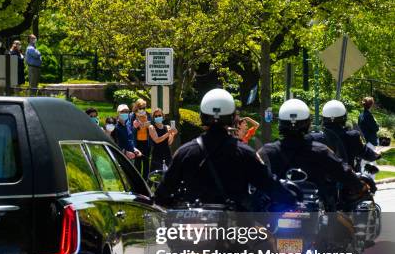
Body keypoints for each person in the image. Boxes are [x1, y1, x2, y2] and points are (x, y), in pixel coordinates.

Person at [155, 89, 296, 209]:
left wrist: (179, 204)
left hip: (194, 233)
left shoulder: (184, 152)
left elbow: (162, 194)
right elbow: (269, 185)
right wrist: (292, 197)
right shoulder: (245, 153)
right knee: (268, 240)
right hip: (234, 231)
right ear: (233, 117)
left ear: (202, 116)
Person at [259, 99, 366, 210]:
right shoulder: (320, 150)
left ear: (280, 123)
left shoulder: (267, 151)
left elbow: (253, 177)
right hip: (315, 212)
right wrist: (360, 185)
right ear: (308, 123)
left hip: (276, 211)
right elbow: (342, 171)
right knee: (345, 225)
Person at [311, 100, 380, 171]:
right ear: (344, 117)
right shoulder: (352, 136)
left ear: (323, 117)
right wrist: (376, 155)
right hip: (347, 176)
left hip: (324, 179)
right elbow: (365, 153)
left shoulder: (315, 137)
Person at [131, 99, 151, 179]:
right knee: (137, 162)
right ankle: (138, 180)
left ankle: (146, 180)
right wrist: (135, 127)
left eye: (144, 108)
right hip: (137, 142)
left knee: (146, 162)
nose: (142, 110)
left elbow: (152, 125)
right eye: (141, 108)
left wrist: (148, 125)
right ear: (137, 107)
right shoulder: (132, 115)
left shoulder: (148, 115)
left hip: (146, 142)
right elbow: (130, 130)